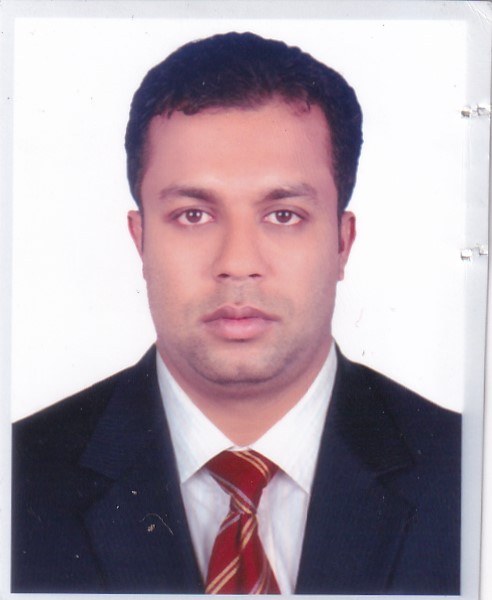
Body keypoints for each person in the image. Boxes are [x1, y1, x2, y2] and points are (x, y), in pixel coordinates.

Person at [12, 31, 460, 595]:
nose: (238, 263)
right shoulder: (19, 478)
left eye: (283, 215)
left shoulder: (468, 474)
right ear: (140, 240)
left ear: (342, 244)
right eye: (194, 215)